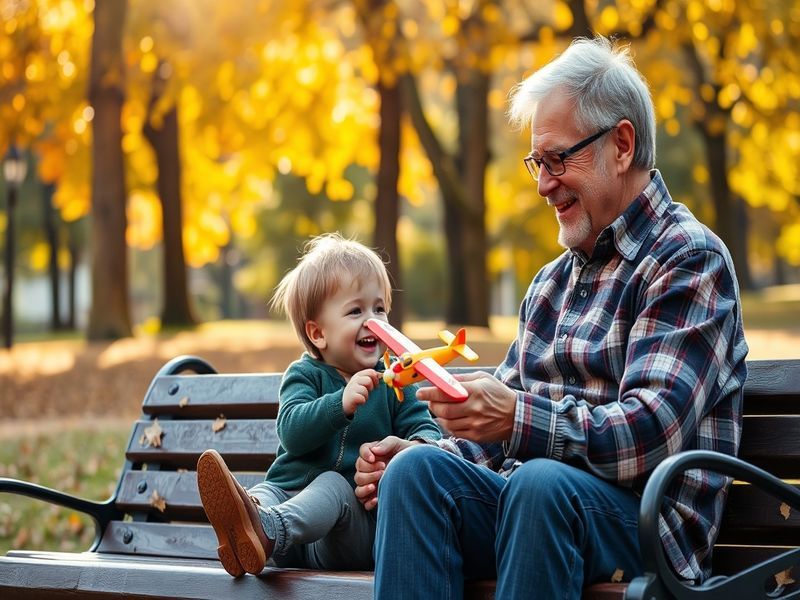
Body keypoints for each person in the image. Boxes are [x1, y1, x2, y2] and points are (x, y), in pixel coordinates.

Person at [354, 36, 748, 599]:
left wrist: (517, 419)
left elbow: (651, 432)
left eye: (558, 158)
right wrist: (430, 451)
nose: (542, 183)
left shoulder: (687, 259)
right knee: (417, 478)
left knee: (541, 485)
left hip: (643, 527)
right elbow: (497, 432)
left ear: (622, 144)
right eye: (537, 163)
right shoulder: (550, 284)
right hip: (534, 510)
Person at [197, 232, 441, 577]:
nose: (373, 321)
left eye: (380, 308)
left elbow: (426, 430)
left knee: (333, 485)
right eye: (356, 310)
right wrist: (338, 404)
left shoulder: (395, 381)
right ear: (318, 334)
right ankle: (249, 524)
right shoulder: (304, 375)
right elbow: (292, 432)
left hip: (348, 532)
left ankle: (264, 532)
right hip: (293, 528)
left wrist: (408, 450)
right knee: (266, 490)